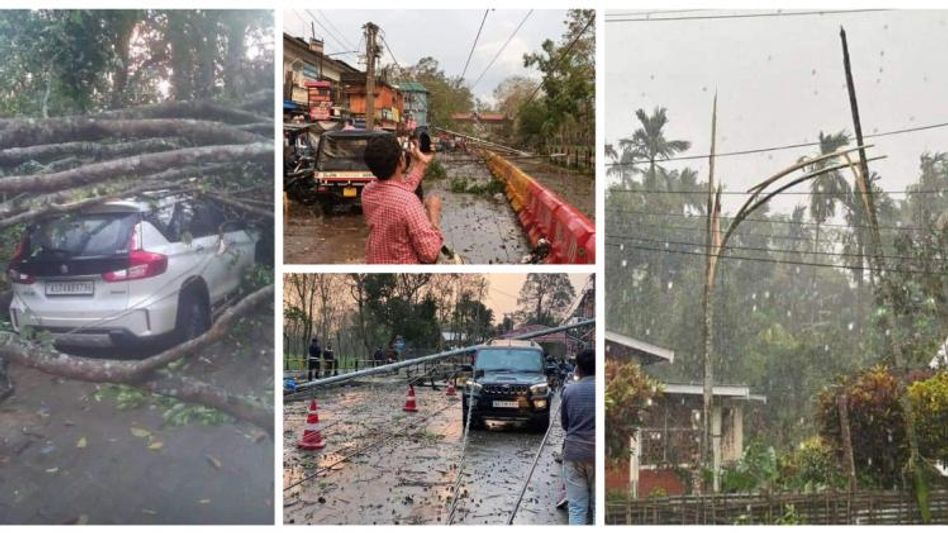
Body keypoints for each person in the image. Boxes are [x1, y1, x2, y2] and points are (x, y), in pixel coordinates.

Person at [361, 134, 443, 263]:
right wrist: (433, 213)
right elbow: (430, 253)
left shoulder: (367, 191)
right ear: (401, 160)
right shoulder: (408, 202)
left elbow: (401, 188)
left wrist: (421, 163)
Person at [560, 348, 595, 525]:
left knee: (577, 507)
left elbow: (565, 425)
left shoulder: (568, 392)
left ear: (578, 369)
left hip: (573, 453)